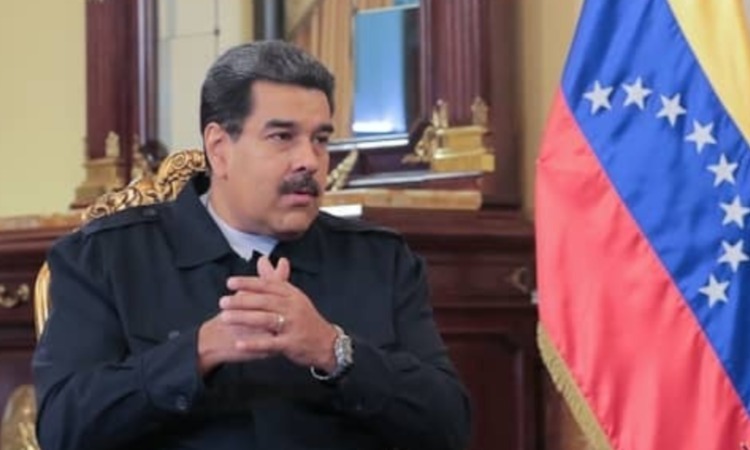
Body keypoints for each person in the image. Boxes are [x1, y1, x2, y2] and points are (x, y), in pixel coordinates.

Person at [32, 40, 471, 450]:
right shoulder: (106, 258)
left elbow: (450, 427)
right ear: (219, 149)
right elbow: (63, 429)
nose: (310, 161)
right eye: (282, 137)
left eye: (320, 139)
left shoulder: (381, 261)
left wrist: (335, 351)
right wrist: (196, 353)